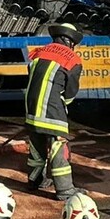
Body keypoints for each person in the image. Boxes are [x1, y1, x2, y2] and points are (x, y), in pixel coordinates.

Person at [25, 23, 84, 201]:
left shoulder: (38, 53)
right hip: (52, 112)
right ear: (69, 41)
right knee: (59, 148)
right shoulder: (72, 59)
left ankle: (35, 181)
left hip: (31, 110)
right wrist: (64, 103)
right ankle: (65, 190)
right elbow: (70, 91)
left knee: (36, 148)